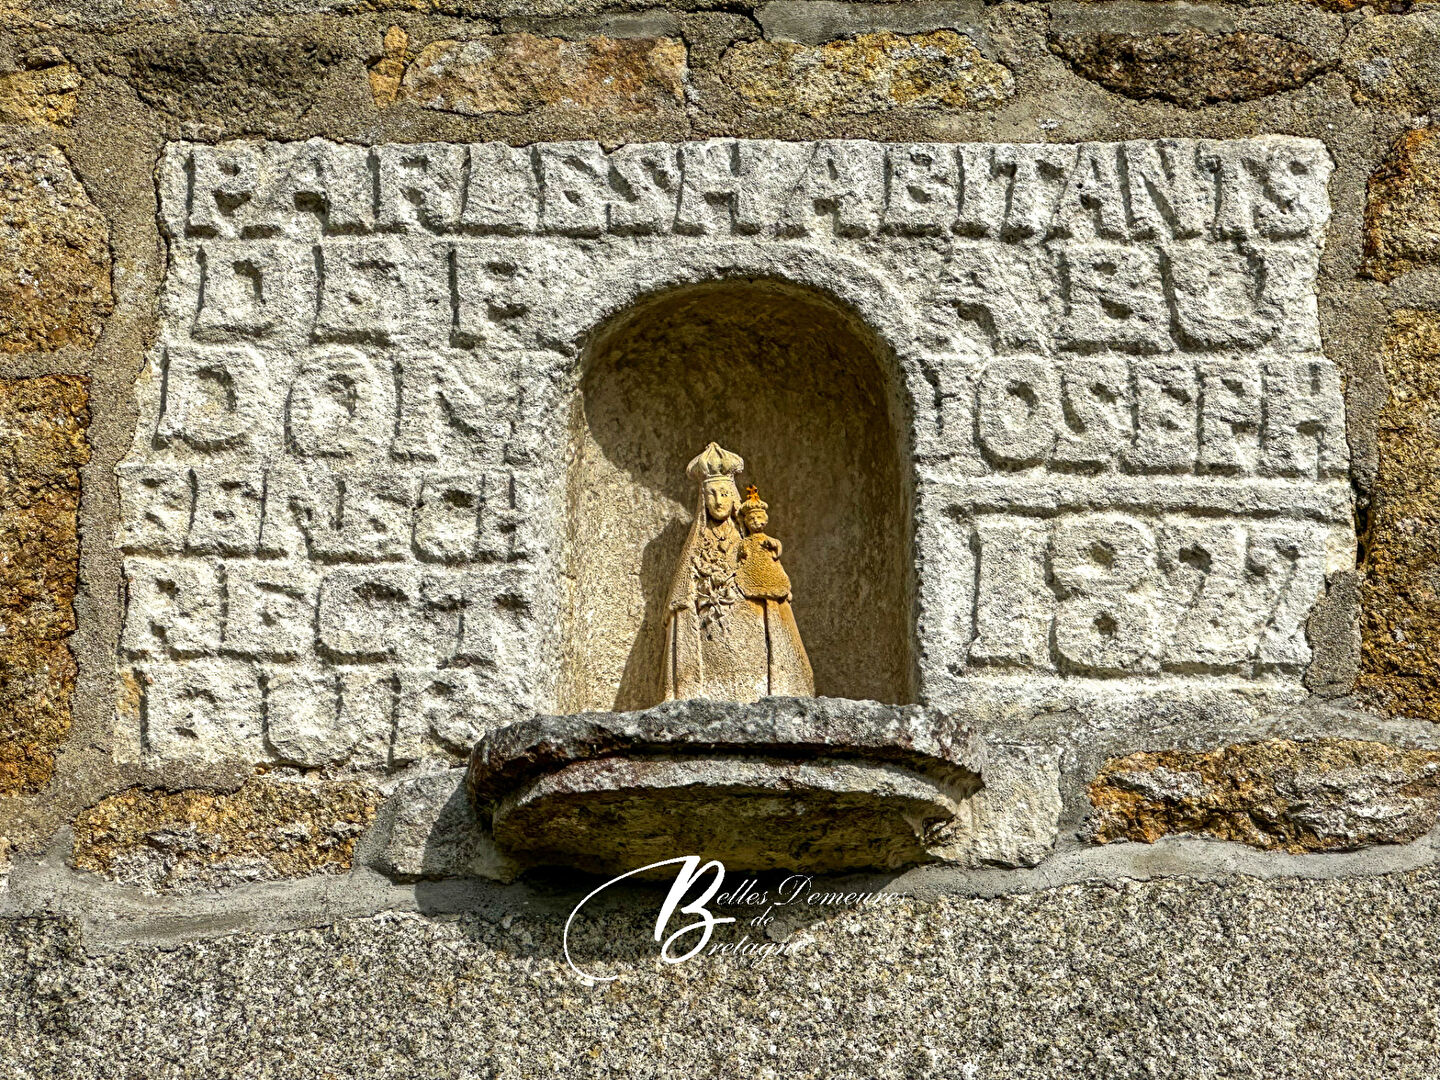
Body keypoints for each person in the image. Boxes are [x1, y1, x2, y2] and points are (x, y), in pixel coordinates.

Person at [662, 443, 814, 703]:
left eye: (723, 493)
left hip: (753, 648)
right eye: (711, 494)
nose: (718, 501)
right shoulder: (694, 550)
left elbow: (772, 592)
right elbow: (682, 602)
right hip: (710, 650)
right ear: (703, 499)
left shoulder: (750, 542)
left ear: (733, 497)